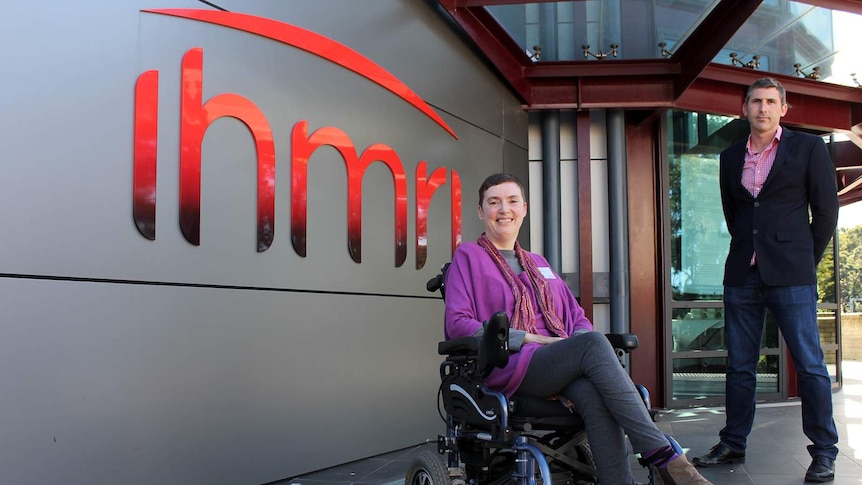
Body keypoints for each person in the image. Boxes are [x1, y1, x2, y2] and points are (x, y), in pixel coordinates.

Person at [444, 173, 712, 485]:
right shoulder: (469, 256)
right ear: (481, 211)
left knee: (592, 390)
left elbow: (577, 319)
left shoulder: (538, 262)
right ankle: (662, 456)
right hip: (511, 365)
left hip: (560, 363)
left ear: (525, 209)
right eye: (494, 202)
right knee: (594, 344)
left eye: (512, 201)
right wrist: (529, 338)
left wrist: (574, 346)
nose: (504, 209)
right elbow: (458, 324)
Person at [692, 77, 840, 483]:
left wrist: (804, 262)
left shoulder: (808, 148)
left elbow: (826, 213)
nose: (763, 108)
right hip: (742, 272)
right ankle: (733, 441)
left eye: (771, 102)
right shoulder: (729, 156)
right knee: (739, 366)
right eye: (755, 101)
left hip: (792, 274)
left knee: (810, 366)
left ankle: (824, 451)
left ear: (783, 109)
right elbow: (735, 214)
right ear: (744, 108)